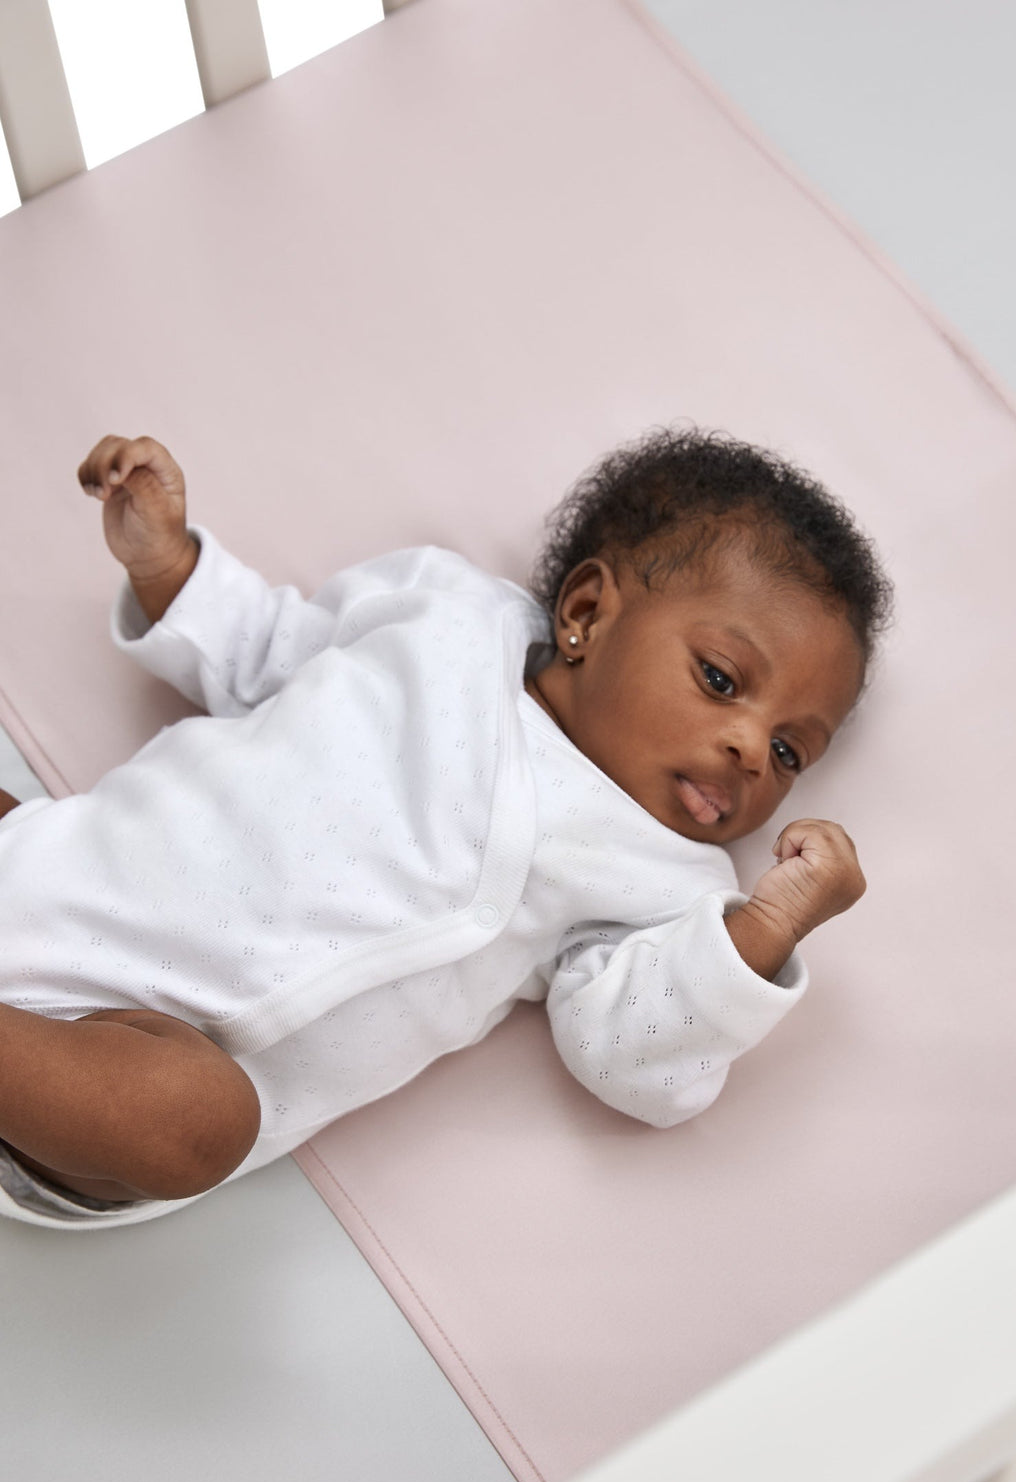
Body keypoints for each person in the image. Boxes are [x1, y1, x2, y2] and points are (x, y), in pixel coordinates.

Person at [0, 426, 891, 1227]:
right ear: (584, 614)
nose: (747, 749)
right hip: (53, 862)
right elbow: (273, 654)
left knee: (199, 1124)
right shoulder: (444, 614)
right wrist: (170, 571)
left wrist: (766, 931)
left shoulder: (667, 883)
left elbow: (631, 1053)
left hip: (122, 1055)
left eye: (788, 752)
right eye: (723, 681)